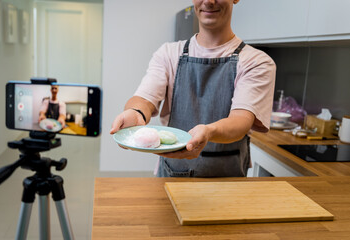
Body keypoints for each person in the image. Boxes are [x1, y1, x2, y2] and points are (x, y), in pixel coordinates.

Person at [110, 0, 276, 177]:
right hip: (171, 174)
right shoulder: (168, 53)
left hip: (227, 182)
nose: (209, 1)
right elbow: (145, 98)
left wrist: (208, 131)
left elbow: (241, 120)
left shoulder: (257, 62)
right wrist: (136, 112)